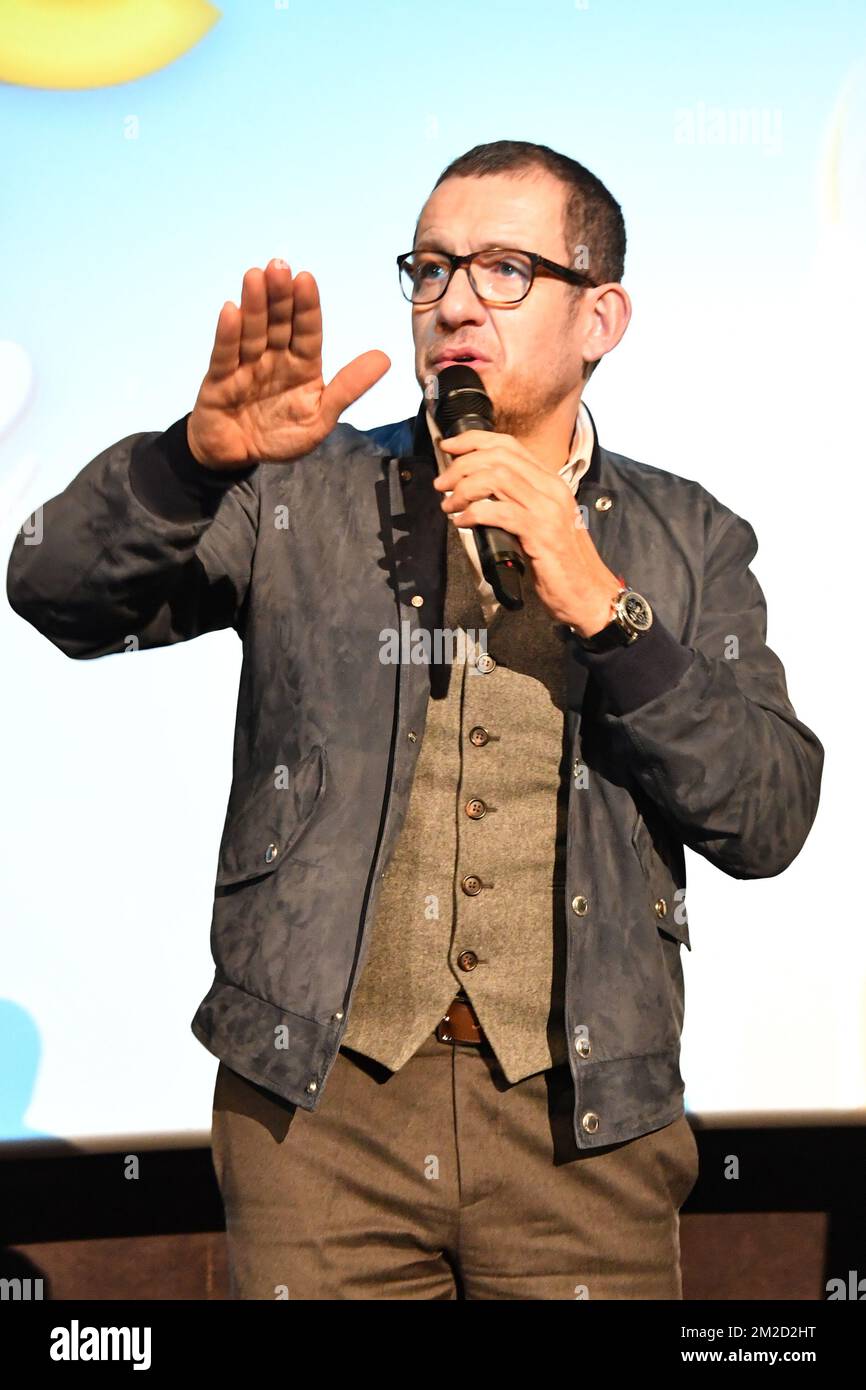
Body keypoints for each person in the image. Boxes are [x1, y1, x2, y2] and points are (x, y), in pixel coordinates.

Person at [6, 140, 824, 1300]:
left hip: (583, 1129)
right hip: (319, 1123)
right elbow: (58, 593)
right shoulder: (299, 489)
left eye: (502, 270)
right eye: (430, 268)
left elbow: (767, 815)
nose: (451, 304)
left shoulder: (690, 539)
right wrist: (190, 465)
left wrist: (604, 607)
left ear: (600, 317)